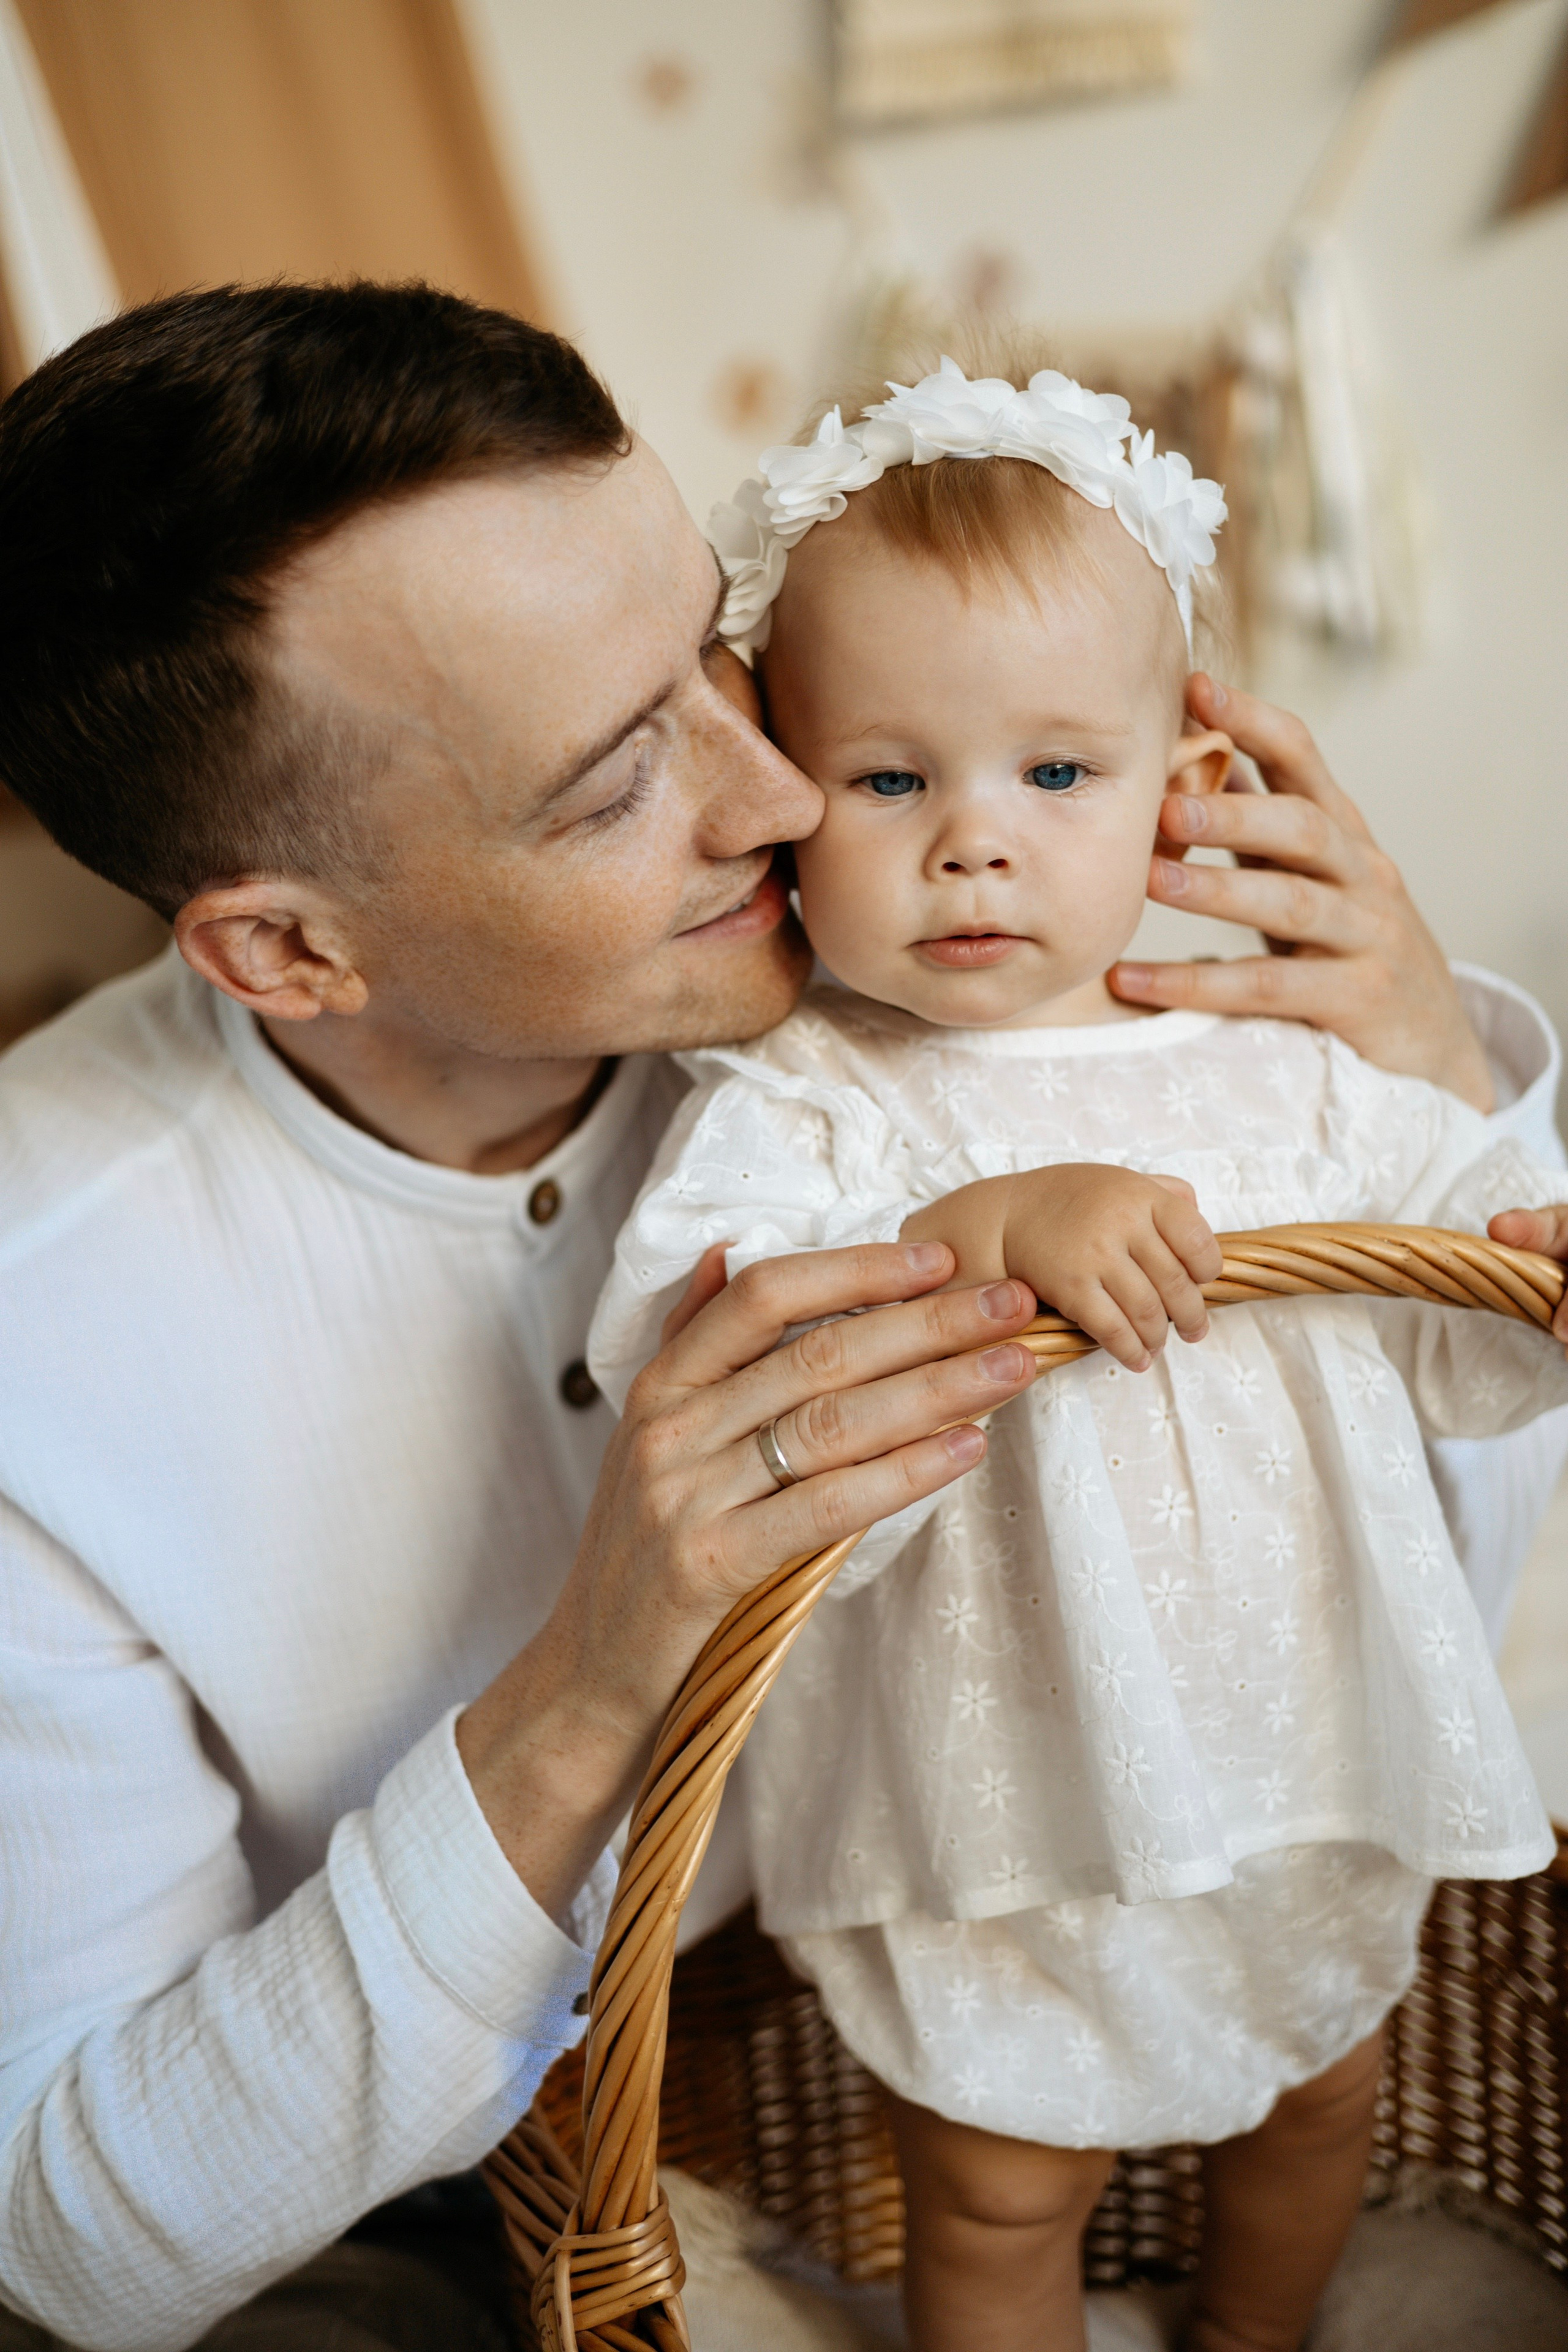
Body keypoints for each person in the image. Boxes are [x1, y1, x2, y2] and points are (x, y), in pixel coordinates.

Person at [0, 287, 1559, 2352]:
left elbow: (1394, 1468)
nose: (792, 797)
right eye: (611, 779)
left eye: (718, 655)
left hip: (1137, 1890)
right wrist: (585, 1691)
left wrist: (1446, 1065)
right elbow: (87, 2239)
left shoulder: (958, 985)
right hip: (510, 2161)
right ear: (288, 949)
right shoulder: (46, 1349)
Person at [588, 350, 1568, 2352]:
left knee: (1317, 2112)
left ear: (1182, 790)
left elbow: (1465, 1326)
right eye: (890, 778)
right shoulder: (814, 1101)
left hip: (1305, 1751)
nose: (973, 842)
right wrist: (974, 1238)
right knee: (1000, 2182)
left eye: (1054, 773)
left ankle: (1245, 2339)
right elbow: (694, 1361)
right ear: (784, 798)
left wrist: (1532, 1266)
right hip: (997, 1802)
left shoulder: (1287, 1062)